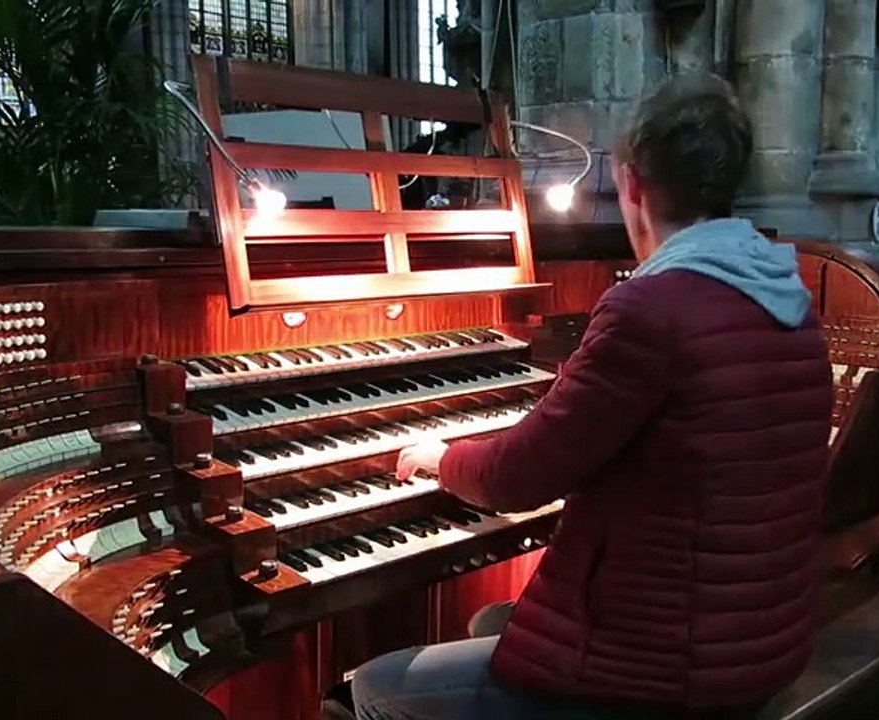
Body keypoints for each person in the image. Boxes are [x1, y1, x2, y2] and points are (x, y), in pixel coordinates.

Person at [345, 72, 834, 720]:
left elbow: (516, 477)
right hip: (756, 647)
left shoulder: (651, 310)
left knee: (372, 688)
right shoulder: (791, 302)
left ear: (632, 184)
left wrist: (440, 455)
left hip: (668, 676)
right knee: (495, 619)